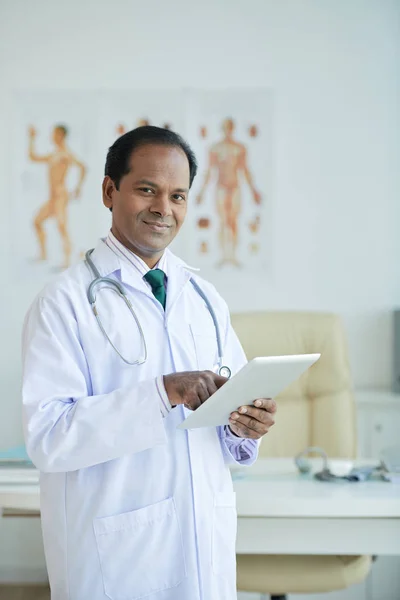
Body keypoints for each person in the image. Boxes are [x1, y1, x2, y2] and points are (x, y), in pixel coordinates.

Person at [22, 126, 277, 600]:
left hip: (204, 543)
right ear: (108, 191)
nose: (164, 208)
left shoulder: (204, 297)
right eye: (147, 190)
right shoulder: (64, 301)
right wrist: (162, 393)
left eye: (178, 195)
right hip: (117, 554)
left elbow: (224, 411)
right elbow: (48, 438)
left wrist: (244, 424)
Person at [196, 118, 261, 267]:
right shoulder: (215, 148)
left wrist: (254, 191)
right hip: (221, 188)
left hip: (235, 187)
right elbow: (209, 171)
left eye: (230, 127)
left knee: (233, 221)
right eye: (226, 127)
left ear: (233, 129)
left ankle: (233, 255)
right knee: (223, 220)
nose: (228, 130)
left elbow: (245, 170)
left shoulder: (240, 148)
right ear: (223, 129)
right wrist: (201, 192)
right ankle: (224, 255)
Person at [28, 125, 86, 269]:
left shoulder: (66, 154)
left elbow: (82, 167)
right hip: (52, 197)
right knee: (37, 221)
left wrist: (78, 188)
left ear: (61, 135)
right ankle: (43, 255)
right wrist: (32, 138)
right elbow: (33, 157)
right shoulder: (54, 154)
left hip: (61, 196)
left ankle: (67, 261)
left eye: (55, 134)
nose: (52, 136)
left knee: (61, 227)